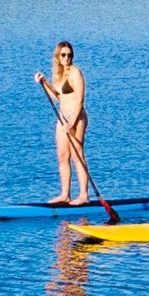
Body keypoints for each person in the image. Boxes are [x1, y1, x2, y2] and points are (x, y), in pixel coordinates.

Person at [35, 41, 99, 207]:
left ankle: (84, 195)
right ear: (58, 56)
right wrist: (44, 83)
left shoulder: (75, 72)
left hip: (76, 118)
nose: (67, 58)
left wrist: (72, 122)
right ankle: (65, 195)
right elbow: (58, 97)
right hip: (63, 118)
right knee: (63, 157)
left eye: (69, 55)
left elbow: (80, 100)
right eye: (63, 55)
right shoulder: (60, 74)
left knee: (77, 155)